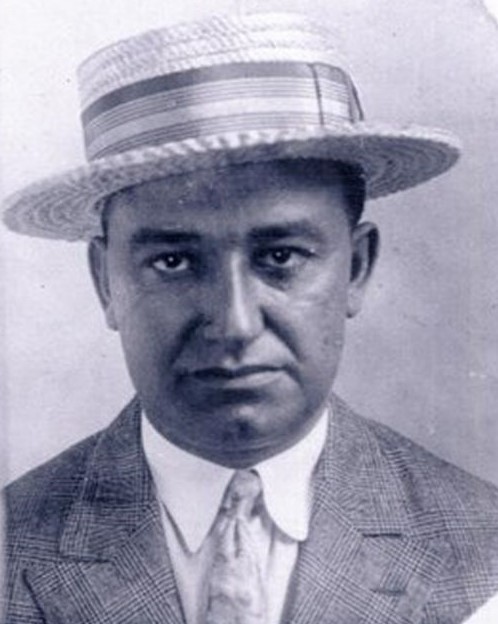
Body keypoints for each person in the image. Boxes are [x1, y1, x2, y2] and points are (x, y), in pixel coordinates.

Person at [3, 11, 498, 624]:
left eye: (280, 257)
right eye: (175, 260)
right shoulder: (11, 542)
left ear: (357, 267)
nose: (234, 324)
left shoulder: (483, 555)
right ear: (106, 281)